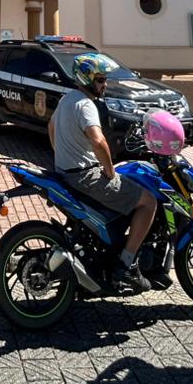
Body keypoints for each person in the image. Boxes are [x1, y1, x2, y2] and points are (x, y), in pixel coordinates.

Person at [48, 52, 158, 292]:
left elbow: (51, 126)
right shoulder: (86, 105)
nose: (104, 84)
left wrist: (62, 153)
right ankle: (126, 266)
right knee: (148, 202)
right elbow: (98, 142)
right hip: (85, 175)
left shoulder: (67, 99)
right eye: (100, 80)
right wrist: (109, 171)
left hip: (66, 171)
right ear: (87, 80)